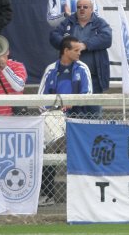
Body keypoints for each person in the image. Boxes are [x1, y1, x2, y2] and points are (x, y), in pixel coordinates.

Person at [36, 36, 93, 207]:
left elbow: (88, 94)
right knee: (49, 155)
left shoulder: (83, 68)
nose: (79, 53)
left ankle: (83, 196)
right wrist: (52, 112)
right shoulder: (51, 69)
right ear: (65, 51)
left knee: (80, 157)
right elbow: (40, 98)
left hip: (77, 119)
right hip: (54, 119)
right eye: (76, 50)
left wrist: (73, 102)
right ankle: (47, 195)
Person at [49, 0, 111, 116]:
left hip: (93, 79)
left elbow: (107, 38)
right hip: (69, 76)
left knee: (94, 114)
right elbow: (53, 35)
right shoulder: (68, 22)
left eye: (85, 7)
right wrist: (67, 45)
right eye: (79, 7)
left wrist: (84, 45)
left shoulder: (100, 23)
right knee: (69, 114)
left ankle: (94, 134)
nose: (81, 9)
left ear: (92, 9)